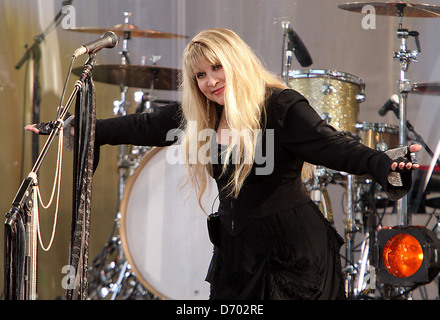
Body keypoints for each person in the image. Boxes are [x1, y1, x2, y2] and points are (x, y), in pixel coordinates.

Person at [26, 28, 421, 300]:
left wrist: (379, 162)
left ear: (236, 62)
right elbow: (140, 125)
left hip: (292, 257)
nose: (210, 81)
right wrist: (73, 126)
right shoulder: (202, 116)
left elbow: (332, 146)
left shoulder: (280, 106)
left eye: (217, 67)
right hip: (236, 254)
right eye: (200, 74)